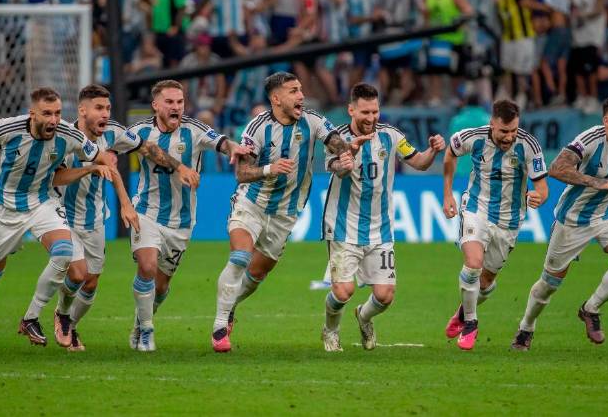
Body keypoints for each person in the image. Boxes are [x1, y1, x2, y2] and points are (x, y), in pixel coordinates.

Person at [210, 72, 371, 353]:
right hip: (252, 204)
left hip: (286, 213)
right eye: (294, 91)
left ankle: (231, 304)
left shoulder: (313, 121)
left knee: (257, 274)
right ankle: (220, 325)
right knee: (240, 257)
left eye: (300, 90)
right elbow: (242, 173)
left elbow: (337, 146)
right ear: (276, 98)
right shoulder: (257, 128)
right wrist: (270, 169)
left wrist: (348, 152)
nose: (301, 96)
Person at [0, 88, 123, 352]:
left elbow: (99, 155)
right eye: (47, 114)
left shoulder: (69, 135)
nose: (53, 120)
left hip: (43, 202)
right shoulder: (8, 128)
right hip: (6, 207)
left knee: (63, 253)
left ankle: (31, 317)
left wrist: (99, 164)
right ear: (32, 114)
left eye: (58, 113)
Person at [512, 95, 608, 350]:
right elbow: (556, 168)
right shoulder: (590, 140)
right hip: (573, 219)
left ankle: (590, 309)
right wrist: (599, 182)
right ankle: (526, 328)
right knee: (549, 285)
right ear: (607, 121)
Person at [51, 84, 182, 351]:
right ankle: (60, 314)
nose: (105, 114)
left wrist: (180, 167)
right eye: (99, 108)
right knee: (78, 274)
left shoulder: (114, 133)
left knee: (91, 282)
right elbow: (55, 176)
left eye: (108, 108)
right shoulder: (64, 136)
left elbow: (146, 149)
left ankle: (71, 325)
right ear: (82, 110)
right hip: (62, 215)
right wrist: (91, 169)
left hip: (95, 217)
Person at [320, 83, 446, 352]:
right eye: (365, 112)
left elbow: (420, 163)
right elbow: (335, 169)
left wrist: (433, 151)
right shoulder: (336, 138)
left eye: (375, 111)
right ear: (351, 110)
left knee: (385, 296)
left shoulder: (391, 136)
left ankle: (363, 317)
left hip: (381, 228)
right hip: (344, 226)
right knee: (343, 292)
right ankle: (330, 330)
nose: (371, 118)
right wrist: (348, 157)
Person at [127, 80, 248, 352]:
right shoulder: (140, 130)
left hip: (181, 223)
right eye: (169, 102)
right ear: (155, 105)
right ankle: (147, 331)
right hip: (146, 212)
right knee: (146, 266)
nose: (175, 107)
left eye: (179, 102)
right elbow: (136, 147)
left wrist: (234, 148)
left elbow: (220, 141)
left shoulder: (193, 130)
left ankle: (140, 319)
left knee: (160, 286)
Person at [442, 100, 549, 350]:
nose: (509, 137)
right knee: (472, 265)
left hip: (509, 219)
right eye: (503, 131)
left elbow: (542, 188)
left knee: (486, 282)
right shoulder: (472, 137)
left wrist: (539, 197)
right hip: (476, 208)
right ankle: (471, 323)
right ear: (492, 124)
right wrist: (447, 194)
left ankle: (461, 313)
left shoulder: (529, 145)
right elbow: (450, 153)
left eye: (513, 131)